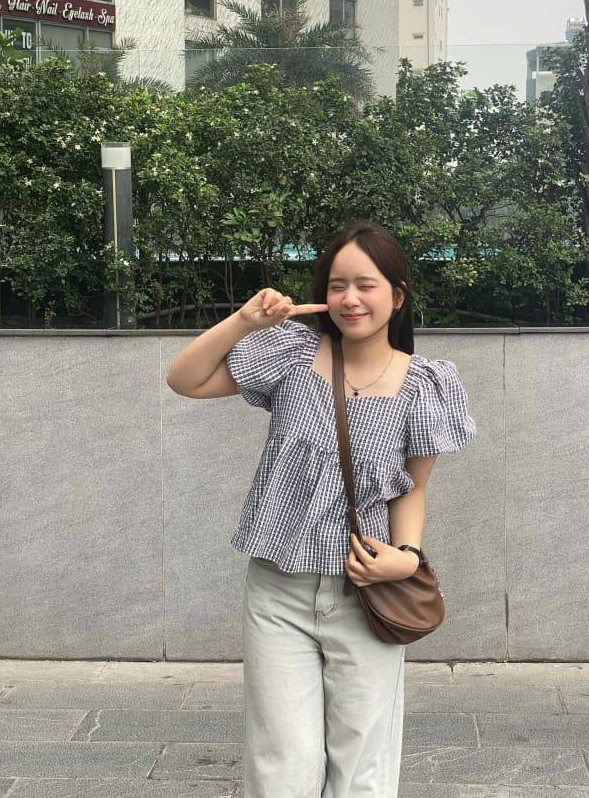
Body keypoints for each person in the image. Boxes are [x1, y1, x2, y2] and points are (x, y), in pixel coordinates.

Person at [167, 221, 475, 798]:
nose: (350, 298)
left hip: (365, 591)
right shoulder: (291, 354)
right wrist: (244, 321)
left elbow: (411, 489)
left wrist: (407, 557)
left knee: (362, 766)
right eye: (337, 285)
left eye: (366, 284)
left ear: (397, 296)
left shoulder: (425, 384)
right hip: (277, 591)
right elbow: (184, 379)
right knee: (281, 764)